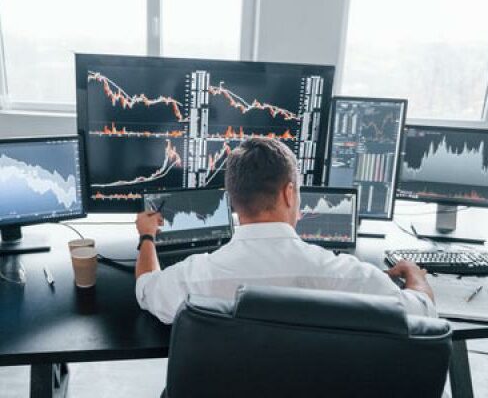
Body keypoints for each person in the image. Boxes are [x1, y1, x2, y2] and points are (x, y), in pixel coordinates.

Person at [135, 138, 435, 324]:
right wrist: (416, 277)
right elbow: (422, 313)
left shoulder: (195, 276)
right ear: (290, 193)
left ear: (233, 200)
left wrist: (147, 236)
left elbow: (146, 289)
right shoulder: (347, 275)